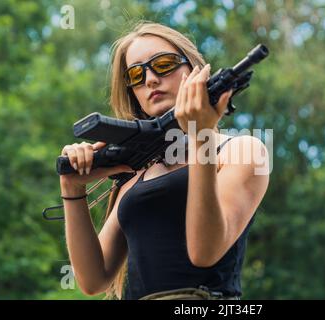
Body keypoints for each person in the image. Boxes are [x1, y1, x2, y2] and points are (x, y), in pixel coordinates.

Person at [59, 21, 270, 300]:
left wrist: (201, 135)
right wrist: (72, 188)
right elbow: (92, 280)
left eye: (164, 64)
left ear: (194, 70)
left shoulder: (243, 151)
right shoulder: (132, 175)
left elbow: (204, 252)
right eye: (136, 74)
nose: (150, 79)